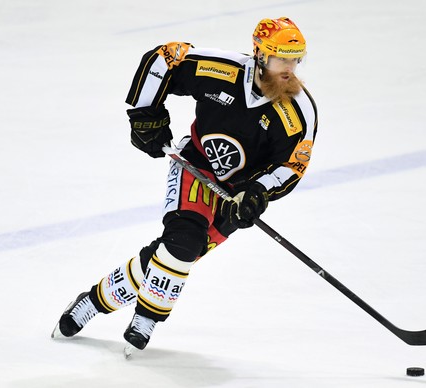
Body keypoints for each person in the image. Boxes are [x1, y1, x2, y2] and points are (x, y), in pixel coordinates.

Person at [52, 17, 318, 351]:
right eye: (282, 58)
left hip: (234, 198)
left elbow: (292, 164)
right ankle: (146, 319)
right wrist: (145, 115)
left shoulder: (298, 111)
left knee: (173, 257)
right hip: (195, 168)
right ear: (260, 54)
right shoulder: (224, 70)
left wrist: (258, 192)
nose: (290, 68)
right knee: (182, 244)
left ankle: (92, 301)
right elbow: (166, 58)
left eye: (296, 59)